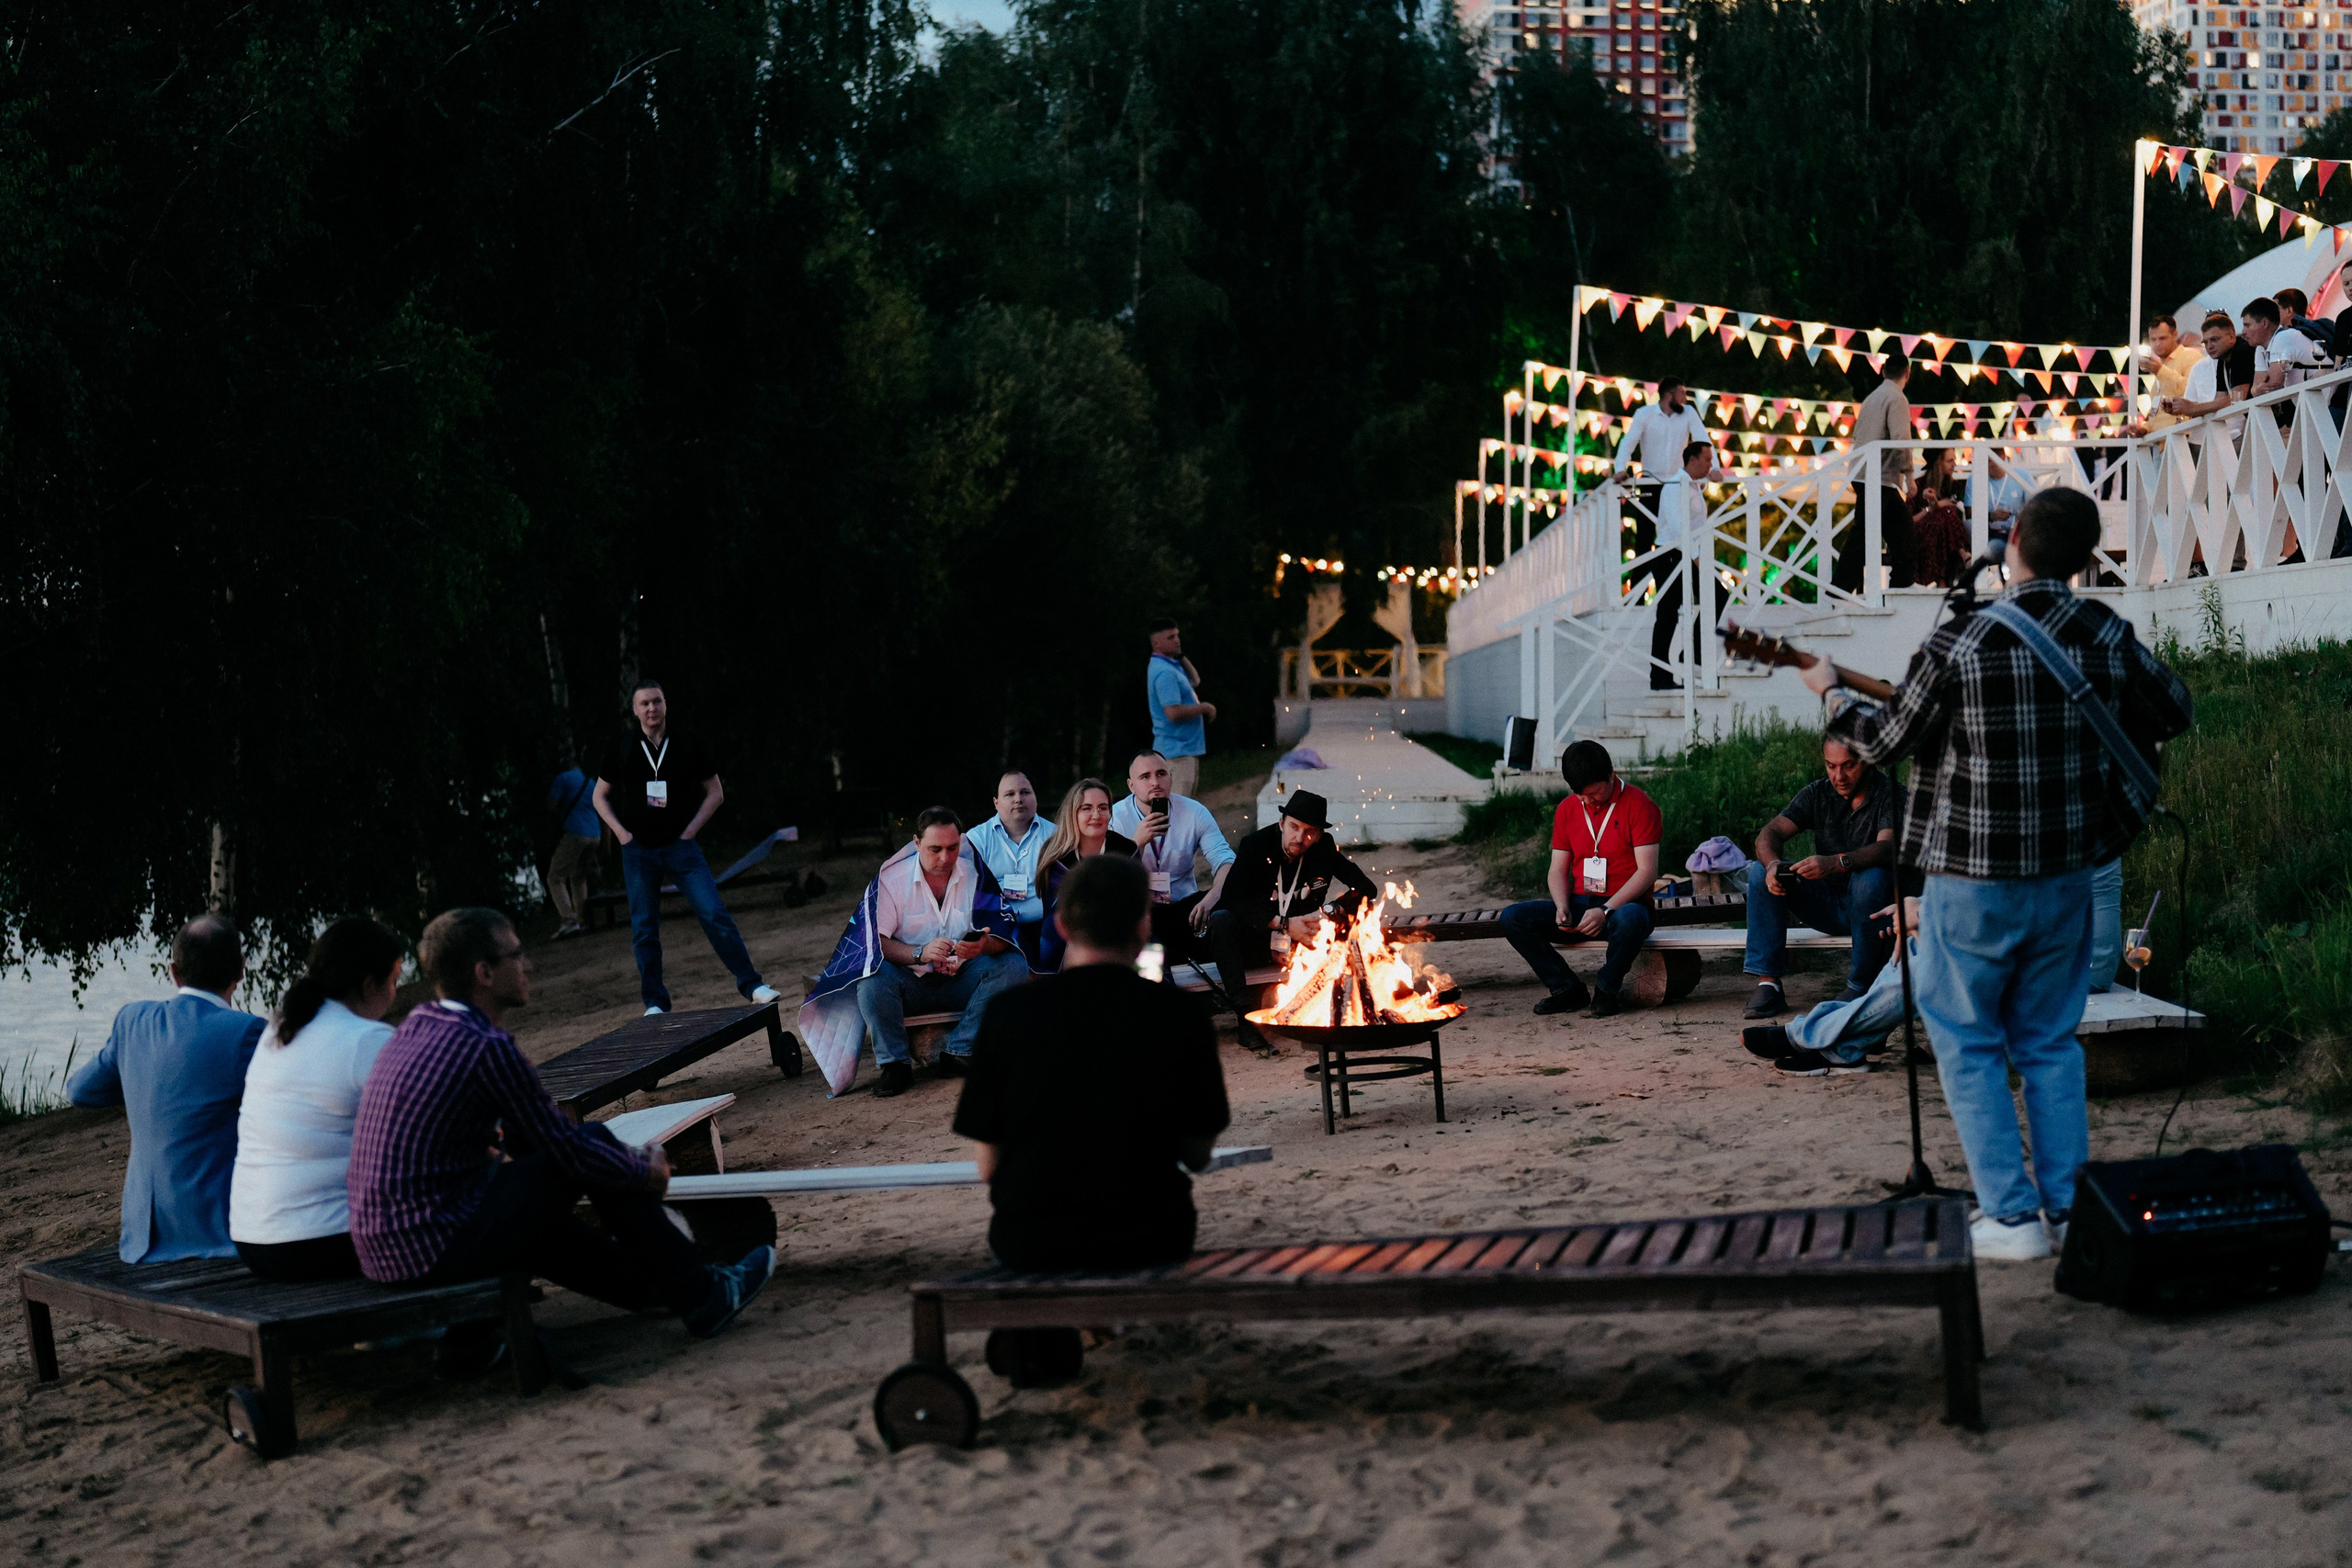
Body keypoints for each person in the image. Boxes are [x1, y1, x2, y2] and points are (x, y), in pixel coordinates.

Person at [1804, 487, 2192, 1260]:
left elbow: (1881, 743)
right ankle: (2064, 1208)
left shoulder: (1964, 637)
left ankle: (2012, 1218)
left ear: (2009, 541)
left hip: (1971, 877)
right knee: (2049, 1041)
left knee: (1969, 1039)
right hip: (2066, 874)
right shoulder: (2105, 629)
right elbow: (2174, 709)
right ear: (2085, 557)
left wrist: (1833, 693)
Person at [348, 908, 774, 1348]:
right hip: (430, 1245)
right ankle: (703, 1295)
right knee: (589, 1144)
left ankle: (658, 1290)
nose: (528, 965)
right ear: (485, 973)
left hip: (387, 1248)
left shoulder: (416, 1028)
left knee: (541, 1205)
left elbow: (528, 1143)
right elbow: (565, 1149)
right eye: (517, 955)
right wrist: (642, 1172)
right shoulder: (484, 1046)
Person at [953, 853, 1229, 1278]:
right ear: (1144, 923)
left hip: (1033, 1241)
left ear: (1062, 925)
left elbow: (989, 1167)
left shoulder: (1008, 1014)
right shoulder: (1181, 1015)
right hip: (1151, 1237)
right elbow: (1196, 1154)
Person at [67, 915, 266, 1263]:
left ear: (173, 972)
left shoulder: (132, 1021)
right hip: (218, 1239)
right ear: (242, 968)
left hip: (142, 1242)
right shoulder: (248, 1032)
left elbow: (80, 1091)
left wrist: (146, 1083)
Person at [228, 917, 408, 1280]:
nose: (396, 991)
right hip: (321, 1241)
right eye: (394, 979)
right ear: (370, 984)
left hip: (253, 1240)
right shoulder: (366, 1039)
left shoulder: (280, 1028)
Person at [593, 679, 781, 1017]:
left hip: (681, 848)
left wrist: (691, 829)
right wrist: (621, 834)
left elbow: (716, 792)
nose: (652, 709)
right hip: (638, 851)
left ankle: (753, 985)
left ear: (666, 705)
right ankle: (655, 1002)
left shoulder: (686, 743)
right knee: (644, 927)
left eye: (657, 702)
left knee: (714, 913)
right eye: (645, 704)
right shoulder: (621, 746)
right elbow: (599, 796)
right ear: (635, 710)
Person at [847, 807, 1032, 1098]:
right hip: (908, 984)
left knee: (1013, 964)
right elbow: (873, 944)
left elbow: (1003, 935)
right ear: (917, 843)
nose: (945, 858)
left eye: (953, 847)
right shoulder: (890, 880)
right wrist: (919, 953)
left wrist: (982, 946)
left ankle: (960, 1050)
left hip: (962, 979)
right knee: (870, 976)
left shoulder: (974, 874)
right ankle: (895, 1064)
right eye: (935, 849)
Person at [1496, 740, 1661, 1019]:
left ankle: (1607, 990)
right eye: (1580, 794)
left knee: (1630, 919)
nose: (1587, 801)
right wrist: (1561, 905)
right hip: (1580, 906)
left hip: (1623, 908)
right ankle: (1566, 989)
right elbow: (1557, 869)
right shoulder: (1568, 809)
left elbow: (1647, 872)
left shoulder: (1640, 805)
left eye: (1594, 793)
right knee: (1513, 917)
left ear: (1611, 774)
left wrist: (1606, 910)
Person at [1740, 738, 1897, 1020]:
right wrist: (1774, 863)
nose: (1839, 776)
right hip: (1828, 904)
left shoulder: (1891, 794)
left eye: (1849, 766)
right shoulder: (1818, 793)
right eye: (1831, 766)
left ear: (1868, 760)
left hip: (1878, 909)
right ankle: (1769, 983)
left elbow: (1887, 848)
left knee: (1871, 878)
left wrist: (1838, 863)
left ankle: (1859, 986)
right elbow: (1770, 833)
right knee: (1759, 871)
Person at [1205, 790, 1381, 1041]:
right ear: (1281, 823)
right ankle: (1244, 1017)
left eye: (1310, 832)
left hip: (1305, 938)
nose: (1300, 838)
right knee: (1221, 921)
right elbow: (1232, 900)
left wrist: (1329, 912)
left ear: (1319, 835)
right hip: (1258, 936)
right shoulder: (1255, 845)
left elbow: (1366, 889)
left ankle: (1349, 1005)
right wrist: (1284, 924)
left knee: (1360, 914)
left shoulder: (1324, 848)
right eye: (1294, 827)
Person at [1110, 750, 1238, 959]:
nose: (1155, 782)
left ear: (1171, 777)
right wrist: (1137, 843)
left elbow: (1224, 859)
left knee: (1230, 903)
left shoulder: (1194, 812)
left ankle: (1221, 981)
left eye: (1161, 774)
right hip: (1140, 913)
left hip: (1186, 907)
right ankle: (1153, 981)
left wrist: (1213, 895)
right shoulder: (1117, 818)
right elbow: (1113, 880)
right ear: (1131, 785)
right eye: (1145, 776)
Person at [1644, 439, 1724, 691]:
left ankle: (1693, 651)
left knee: (1718, 596)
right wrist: (1698, 558)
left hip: (1689, 554)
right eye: (1708, 459)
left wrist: (1715, 477)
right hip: (1671, 555)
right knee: (1667, 614)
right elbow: (1679, 529)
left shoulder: (1693, 487)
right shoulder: (1675, 486)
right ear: (1693, 460)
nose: (1711, 463)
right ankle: (1660, 677)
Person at [1035, 777, 1137, 973]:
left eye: (1103, 807)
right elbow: (1063, 912)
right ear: (1073, 813)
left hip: (1121, 930)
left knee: (1149, 949)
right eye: (1087, 808)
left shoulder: (1127, 850)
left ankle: (1151, 997)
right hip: (1068, 936)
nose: (1096, 815)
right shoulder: (1055, 855)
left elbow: (1135, 904)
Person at [1838, 358, 1917, 593]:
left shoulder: (1872, 398)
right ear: (1907, 373)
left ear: (1883, 371)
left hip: (1866, 472)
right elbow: (1901, 438)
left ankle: (1900, 584)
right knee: (1866, 535)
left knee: (1900, 531)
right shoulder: (1897, 398)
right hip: (1880, 475)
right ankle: (1840, 589)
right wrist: (1910, 475)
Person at [966, 772, 1057, 968]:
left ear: (1035, 798)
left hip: (1043, 927)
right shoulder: (977, 839)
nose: (1018, 799)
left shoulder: (1056, 836)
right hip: (995, 929)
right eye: (1010, 794)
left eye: (1025, 792)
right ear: (996, 802)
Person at [1612, 378, 1710, 556]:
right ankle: (1640, 583)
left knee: (1681, 537)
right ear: (1669, 395)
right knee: (1644, 540)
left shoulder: (1688, 413)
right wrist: (1620, 468)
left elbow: (1704, 440)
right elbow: (1628, 443)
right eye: (1682, 394)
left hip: (1678, 485)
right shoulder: (1644, 414)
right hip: (1650, 484)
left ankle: (1684, 580)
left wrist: (1715, 469)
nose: (1685, 399)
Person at [1146, 620, 1216, 800]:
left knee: (1182, 812)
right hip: (1176, 754)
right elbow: (1173, 713)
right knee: (1176, 814)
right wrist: (1204, 708)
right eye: (1171, 637)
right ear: (1156, 643)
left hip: (1183, 751)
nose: (1177, 640)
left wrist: (1181, 655)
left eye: (1177, 635)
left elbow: (1196, 680)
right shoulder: (1165, 672)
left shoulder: (1171, 666)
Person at [2161, 311, 2256, 443]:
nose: (2210, 346)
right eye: (2206, 342)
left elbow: (2235, 399)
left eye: (2215, 339)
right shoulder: (2222, 359)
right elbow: (2219, 399)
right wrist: (2184, 407)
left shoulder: (2242, 352)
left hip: (2273, 424)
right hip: (2249, 429)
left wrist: (2192, 408)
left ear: (2231, 337)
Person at [545, 761, 601, 939]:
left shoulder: (562, 779)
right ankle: (583, 921)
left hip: (575, 832)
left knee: (555, 877)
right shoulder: (591, 783)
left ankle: (569, 921)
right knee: (578, 876)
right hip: (594, 834)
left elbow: (551, 805)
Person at [1906, 448, 1970, 588]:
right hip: (1919, 534)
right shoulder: (1917, 486)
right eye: (1950, 461)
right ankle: (1964, 553)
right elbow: (1909, 522)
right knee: (1942, 514)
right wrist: (1932, 508)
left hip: (1946, 535)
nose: (1954, 464)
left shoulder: (1954, 487)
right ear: (1938, 463)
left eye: (1955, 460)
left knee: (1944, 516)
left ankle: (1937, 579)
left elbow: (1961, 514)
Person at [2135, 314, 2205, 434]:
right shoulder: (2161, 367)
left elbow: (2192, 392)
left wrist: (2160, 371)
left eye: (2162, 338)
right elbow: (2156, 411)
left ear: (2175, 335)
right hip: (2162, 440)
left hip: (2184, 436)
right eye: (2153, 339)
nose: (2157, 344)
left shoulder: (2191, 357)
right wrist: (2145, 429)